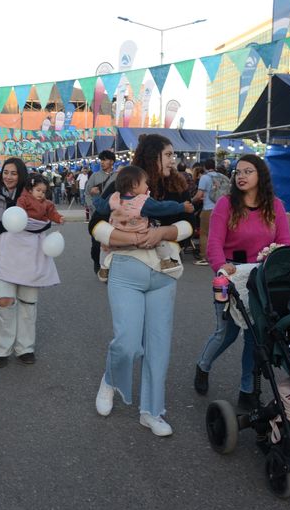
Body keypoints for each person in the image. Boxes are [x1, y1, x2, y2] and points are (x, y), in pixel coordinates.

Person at [90, 134, 193, 437]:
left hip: (164, 272)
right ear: (152, 156)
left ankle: (152, 411)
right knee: (127, 342)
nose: (173, 160)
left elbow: (189, 224)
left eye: (174, 155)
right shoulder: (124, 182)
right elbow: (95, 224)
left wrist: (165, 233)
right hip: (126, 268)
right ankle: (110, 378)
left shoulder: (177, 186)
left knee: (158, 347)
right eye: (169, 155)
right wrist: (131, 239)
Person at [194, 154, 290, 410]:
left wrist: (281, 264)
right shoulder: (226, 204)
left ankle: (247, 390)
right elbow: (214, 242)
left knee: (255, 336)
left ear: (261, 175)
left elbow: (285, 242)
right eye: (238, 172)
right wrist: (221, 267)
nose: (241, 176)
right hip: (231, 273)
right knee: (226, 333)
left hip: (260, 277)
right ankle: (203, 366)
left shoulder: (275, 205)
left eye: (248, 171)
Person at [0, 157, 60, 368]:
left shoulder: (35, 195)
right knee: (3, 301)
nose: (8, 177)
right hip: (4, 258)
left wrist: (31, 224)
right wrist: (8, 225)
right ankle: (1, 349)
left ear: (22, 175)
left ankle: (25, 347)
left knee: (28, 303)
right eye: (5, 172)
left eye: (14, 173)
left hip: (29, 258)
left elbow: (46, 223)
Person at [92, 165, 194, 274]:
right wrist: (181, 207)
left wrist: (96, 196)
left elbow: (101, 208)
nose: (147, 186)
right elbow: (163, 207)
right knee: (160, 239)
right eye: (145, 183)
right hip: (141, 237)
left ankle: (104, 268)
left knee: (104, 246)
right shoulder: (142, 201)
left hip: (117, 239)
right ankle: (166, 261)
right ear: (135, 185)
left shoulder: (113, 198)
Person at [86, 150, 118, 280]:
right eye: (101, 160)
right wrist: (93, 207)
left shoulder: (117, 176)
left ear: (112, 162)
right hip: (98, 214)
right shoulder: (94, 176)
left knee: (112, 242)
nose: (102, 163)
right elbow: (87, 193)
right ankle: (96, 262)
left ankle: (108, 267)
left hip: (112, 215)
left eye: (105, 160)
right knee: (96, 243)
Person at [192, 159, 229, 266]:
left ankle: (204, 257)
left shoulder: (205, 177)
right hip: (224, 209)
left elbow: (199, 195)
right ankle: (220, 256)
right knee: (220, 234)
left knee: (204, 233)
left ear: (204, 167)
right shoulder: (223, 177)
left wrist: (191, 200)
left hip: (209, 209)